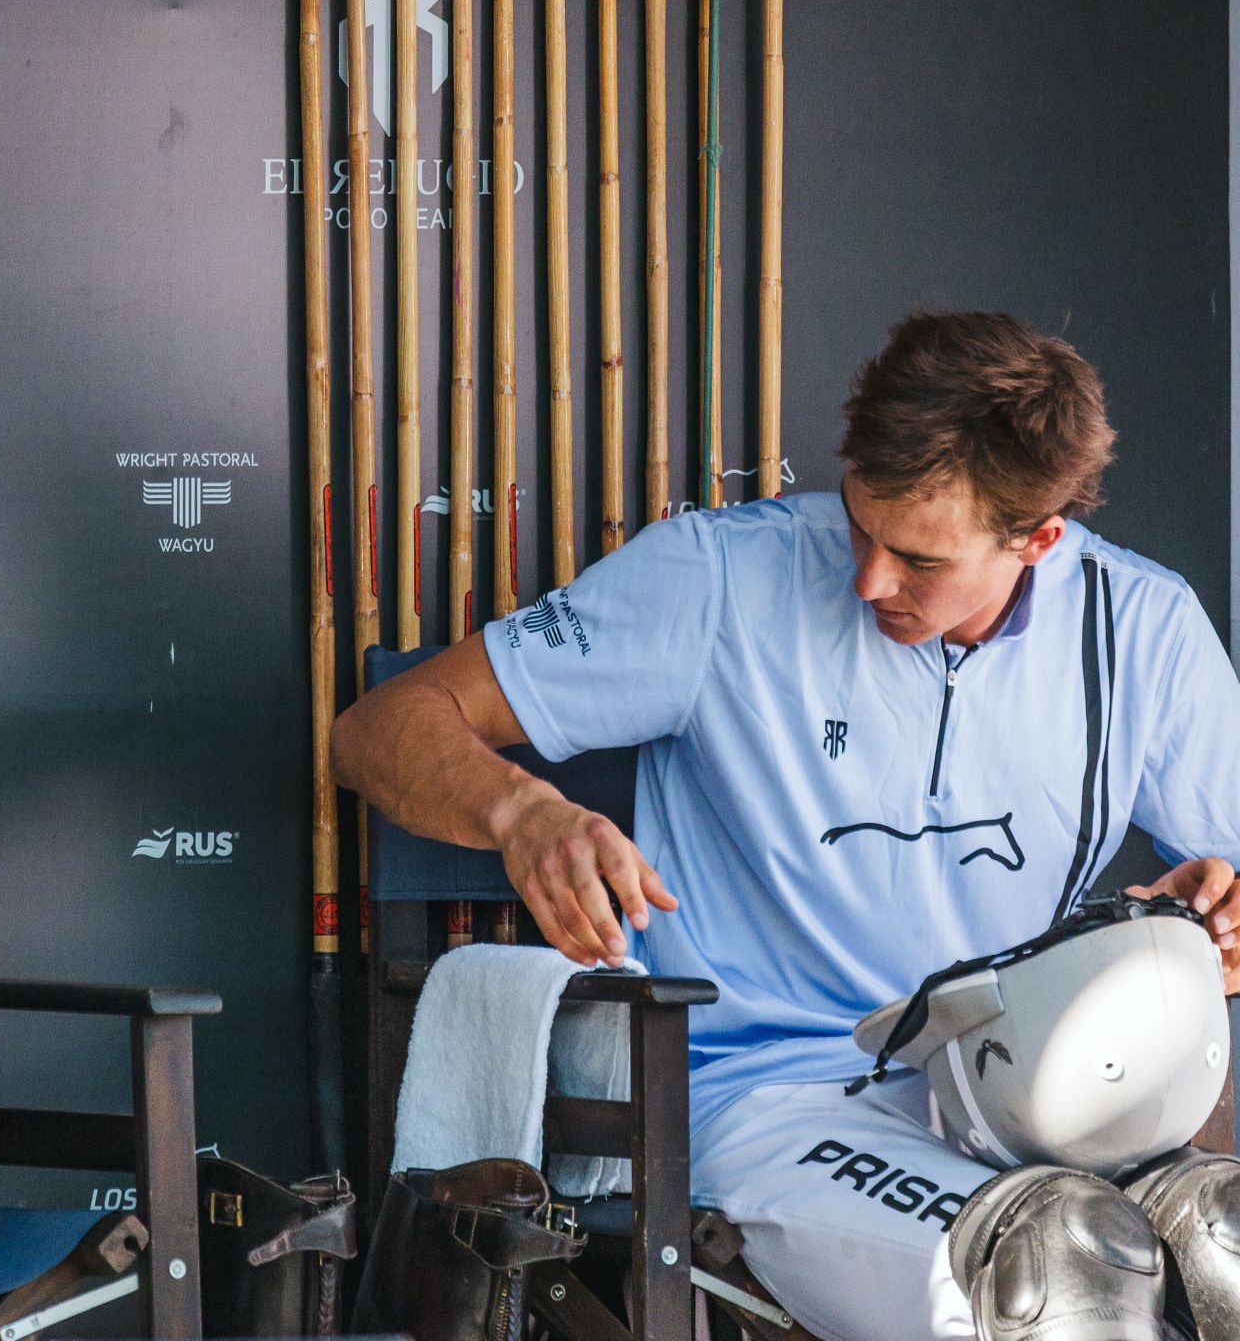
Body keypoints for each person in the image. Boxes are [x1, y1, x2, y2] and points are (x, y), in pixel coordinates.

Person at [331, 311, 1240, 1341]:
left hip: (1030, 1097)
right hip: (769, 1094)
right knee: (1051, 1283)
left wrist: (1210, 924)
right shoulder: (718, 575)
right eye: (858, 525)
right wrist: (521, 810)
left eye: (917, 559)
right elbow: (379, 730)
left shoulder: (1144, 625)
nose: (868, 580)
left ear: (1038, 539)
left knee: (1216, 1255)